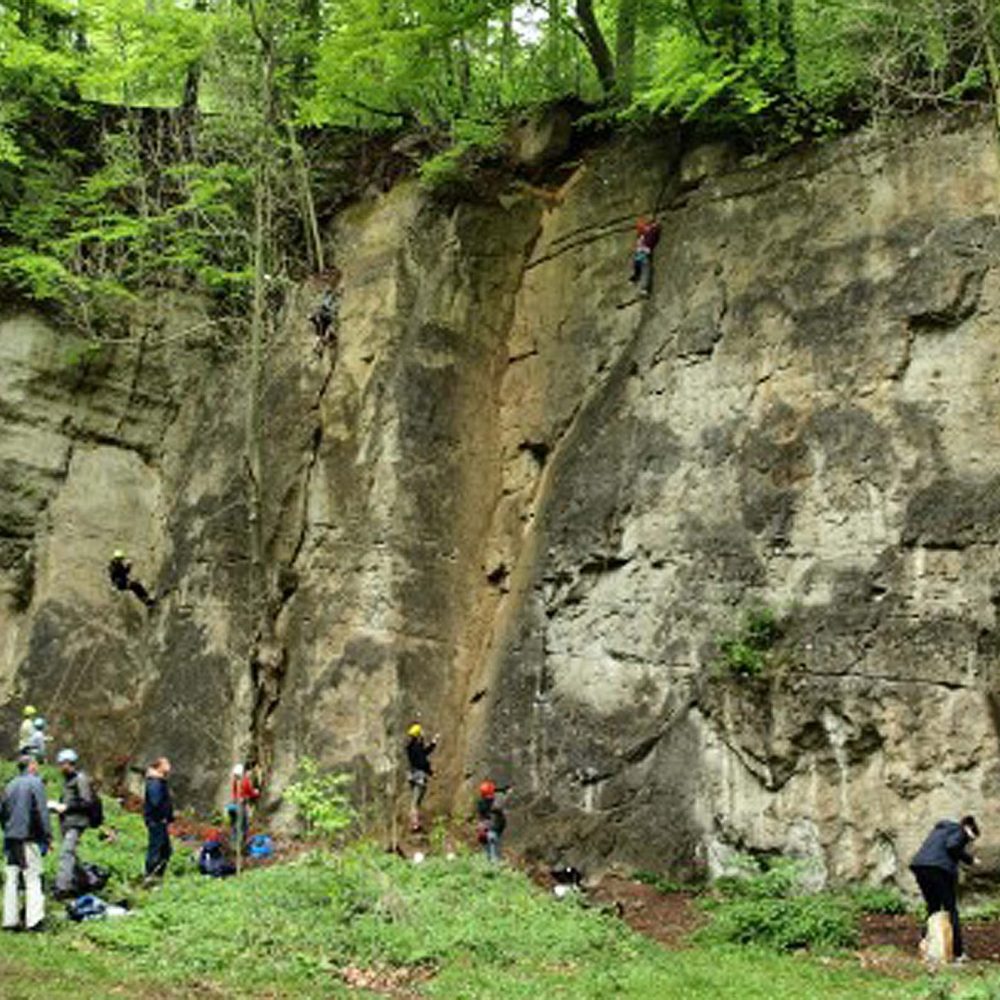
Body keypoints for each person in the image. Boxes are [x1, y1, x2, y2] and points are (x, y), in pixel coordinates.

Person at [910, 814, 980, 962]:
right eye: (970, 839)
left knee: (933, 907)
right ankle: (958, 952)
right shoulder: (960, 831)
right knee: (950, 909)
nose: (968, 843)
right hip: (938, 869)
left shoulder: (941, 830)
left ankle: (926, 946)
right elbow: (952, 846)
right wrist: (970, 859)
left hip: (920, 866)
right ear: (968, 828)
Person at [1, 755, 51, 931]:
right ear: (30, 766)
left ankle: (9, 920)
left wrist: (7, 831)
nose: (37, 767)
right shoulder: (35, 783)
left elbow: (3, 811)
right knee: (33, 877)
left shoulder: (10, 784)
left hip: (11, 837)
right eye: (35, 764)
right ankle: (34, 921)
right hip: (28, 837)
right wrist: (47, 836)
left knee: (12, 878)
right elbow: (41, 811)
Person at [52, 748, 94, 898]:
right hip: (66, 821)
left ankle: (62, 888)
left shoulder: (80, 779)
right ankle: (87, 880)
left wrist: (67, 807)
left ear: (70, 763)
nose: (61, 767)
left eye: (63, 764)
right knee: (71, 854)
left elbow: (87, 802)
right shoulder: (67, 780)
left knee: (66, 852)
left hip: (77, 823)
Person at [144, 757, 174, 879]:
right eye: (166, 763)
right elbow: (155, 801)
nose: (169, 765)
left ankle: (157, 875)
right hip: (156, 821)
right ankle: (151, 875)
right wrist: (162, 815)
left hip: (160, 820)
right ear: (159, 766)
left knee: (165, 850)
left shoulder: (160, 781)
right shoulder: (155, 782)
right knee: (156, 849)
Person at [405, 724, 438, 833]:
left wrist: (433, 743)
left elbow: (424, 752)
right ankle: (415, 825)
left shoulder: (411, 746)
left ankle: (415, 823)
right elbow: (422, 761)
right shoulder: (416, 747)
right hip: (419, 776)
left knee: (416, 801)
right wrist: (431, 772)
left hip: (412, 775)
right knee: (415, 803)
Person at [475, 780, 510, 863]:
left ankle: (487, 870)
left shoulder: (480, 803)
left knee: (487, 855)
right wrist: (504, 791)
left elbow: (490, 791)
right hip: (493, 831)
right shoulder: (495, 804)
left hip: (484, 832)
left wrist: (501, 790)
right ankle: (494, 871)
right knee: (495, 857)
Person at [227, 764, 260, 848]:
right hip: (240, 807)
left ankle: (233, 844)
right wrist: (256, 793)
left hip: (232, 807)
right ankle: (241, 845)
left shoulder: (234, 781)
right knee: (243, 825)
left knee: (234, 825)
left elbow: (234, 793)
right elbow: (251, 793)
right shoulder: (245, 781)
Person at [628, 216, 662, 297]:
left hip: (641, 253)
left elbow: (653, 232)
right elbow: (653, 232)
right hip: (641, 253)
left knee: (641, 268)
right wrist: (655, 225)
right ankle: (640, 283)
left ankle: (637, 281)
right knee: (643, 269)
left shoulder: (644, 234)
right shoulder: (643, 234)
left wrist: (655, 225)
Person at [309, 286, 340, 357]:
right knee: (327, 328)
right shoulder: (328, 299)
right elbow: (328, 307)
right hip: (323, 317)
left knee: (319, 333)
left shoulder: (325, 299)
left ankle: (316, 346)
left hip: (319, 318)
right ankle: (323, 341)